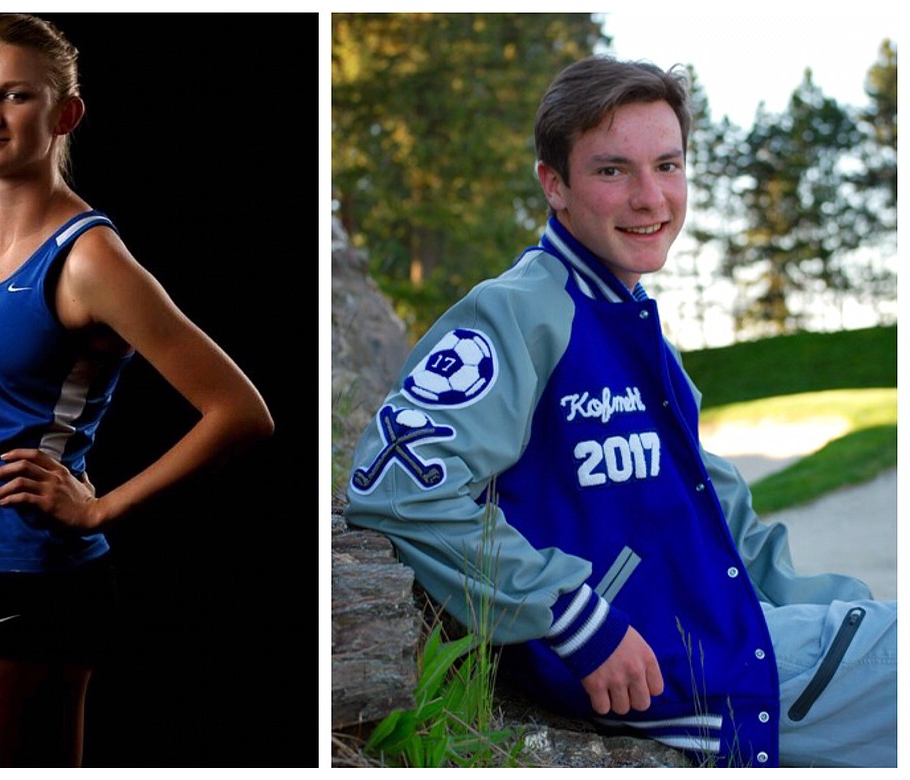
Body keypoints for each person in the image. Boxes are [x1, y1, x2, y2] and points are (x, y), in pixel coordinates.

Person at [344, 55, 895, 768]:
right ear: (555, 184)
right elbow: (393, 485)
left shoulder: (638, 332)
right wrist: (580, 621)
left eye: (668, 166)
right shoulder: (519, 310)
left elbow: (732, 528)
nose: (650, 197)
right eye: (612, 170)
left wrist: (848, 613)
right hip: (691, 673)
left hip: (733, 636)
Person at [0, 13, 274, 767]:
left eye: (15, 97)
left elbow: (241, 414)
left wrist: (98, 507)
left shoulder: (90, 258)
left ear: (65, 114)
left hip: (32, 581)